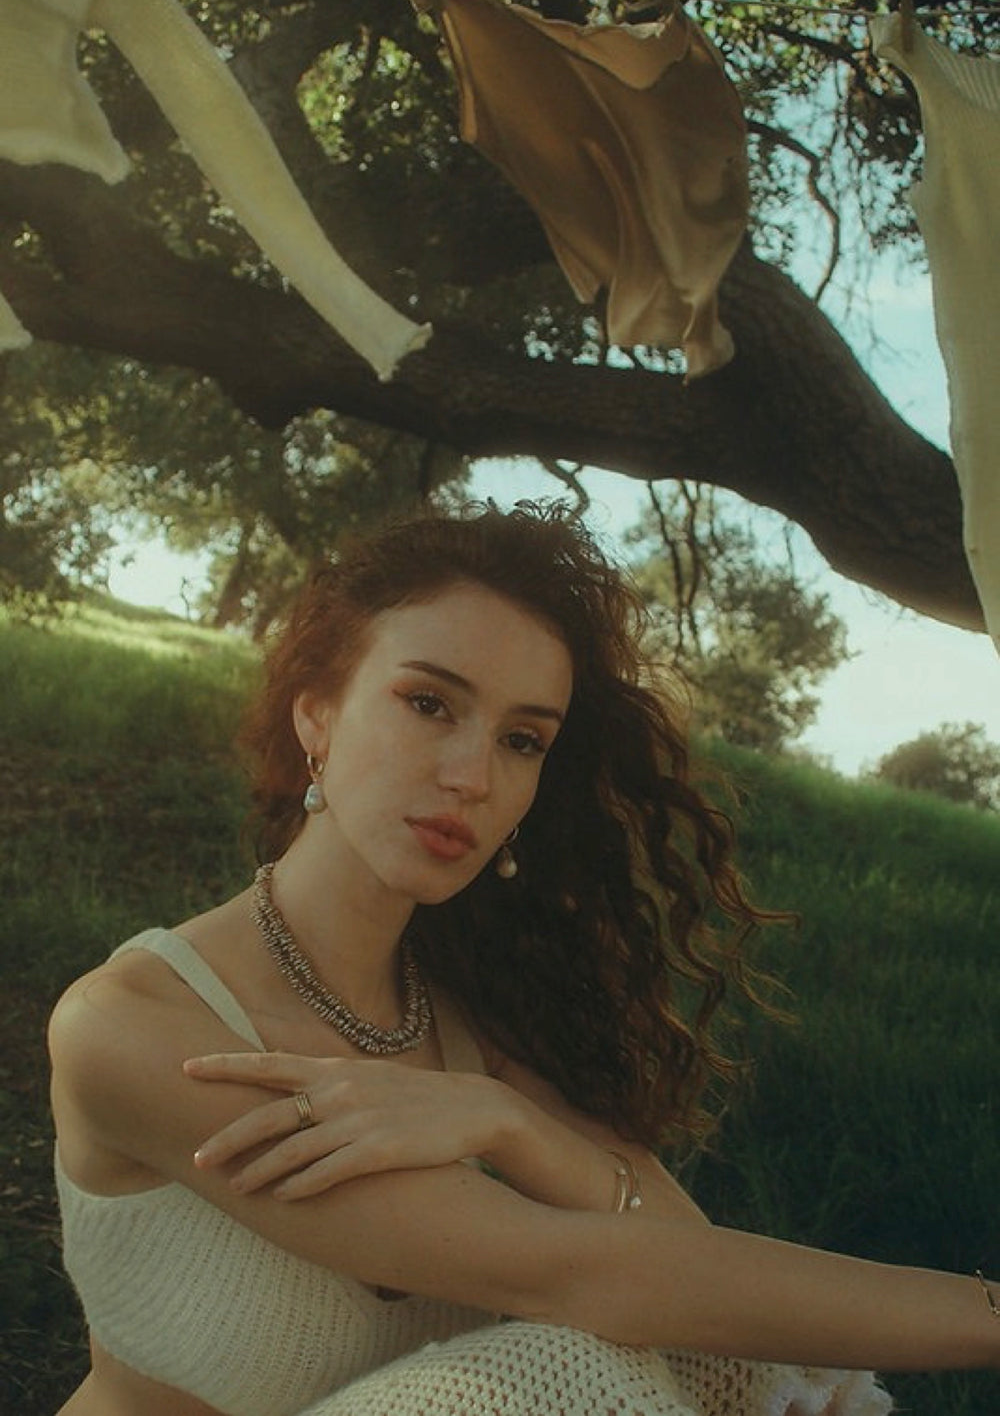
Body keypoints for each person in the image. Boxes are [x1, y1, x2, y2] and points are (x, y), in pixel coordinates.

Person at [48, 501, 999, 1416]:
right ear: (316, 715)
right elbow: (582, 1275)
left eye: (521, 740)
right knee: (564, 1364)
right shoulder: (133, 1026)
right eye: (428, 703)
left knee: (704, 1353)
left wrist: (514, 1125)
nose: (473, 776)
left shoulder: (465, 1016)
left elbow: (688, 1265)